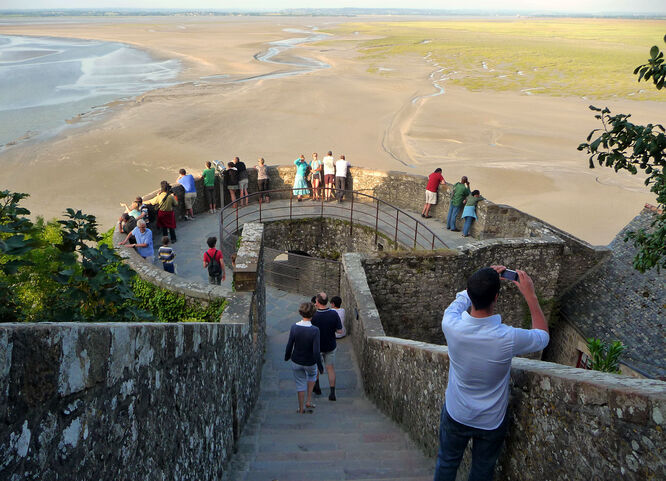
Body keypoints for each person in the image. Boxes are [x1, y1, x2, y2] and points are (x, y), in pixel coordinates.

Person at [434, 266, 549, 481]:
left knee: (446, 463)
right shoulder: (507, 337)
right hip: (491, 420)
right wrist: (530, 295)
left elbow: (460, 301)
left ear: (470, 294)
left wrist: (479, 280)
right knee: (482, 471)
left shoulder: (450, 324)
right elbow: (542, 336)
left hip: (457, 411)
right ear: (496, 297)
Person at [285, 302, 324, 414]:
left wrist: (287, 356)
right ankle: (308, 400)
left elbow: (289, 345)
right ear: (313, 314)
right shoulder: (315, 330)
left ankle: (301, 408)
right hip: (310, 361)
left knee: (300, 383)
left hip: (296, 360)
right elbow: (316, 351)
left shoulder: (294, 327)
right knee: (312, 376)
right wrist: (320, 367)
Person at [311, 292, 343, 401]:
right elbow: (339, 330)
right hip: (330, 345)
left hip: (317, 347)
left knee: (316, 368)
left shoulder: (314, 315)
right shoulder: (334, 314)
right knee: (330, 369)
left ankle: (317, 388)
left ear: (318, 302)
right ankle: (332, 393)